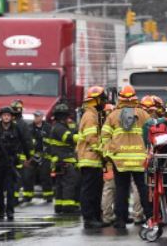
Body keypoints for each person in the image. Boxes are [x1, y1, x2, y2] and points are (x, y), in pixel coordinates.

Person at [101, 85, 152, 229]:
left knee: (121, 190)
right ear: (135, 97)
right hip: (139, 160)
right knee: (143, 189)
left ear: (120, 98)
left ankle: (120, 220)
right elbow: (151, 135)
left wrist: (109, 153)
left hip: (120, 160)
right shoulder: (143, 114)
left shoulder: (112, 115)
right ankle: (149, 217)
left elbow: (105, 136)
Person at [0, 107, 30, 220]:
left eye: (8, 115)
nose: (6, 117)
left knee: (10, 188)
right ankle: (1, 210)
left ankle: (10, 211)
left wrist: (28, 157)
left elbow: (24, 142)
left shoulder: (16, 128)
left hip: (11, 162)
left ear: (11, 117)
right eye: (4, 115)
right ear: (1, 116)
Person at [77, 86, 108, 229]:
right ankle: (89, 218)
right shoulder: (90, 116)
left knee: (96, 191)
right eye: (102, 99)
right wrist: (104, 151)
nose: (104, 102)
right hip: (89, 159)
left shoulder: (94, 114)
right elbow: (92, 138)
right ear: (96, 100)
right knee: (89, 191)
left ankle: (95, 217)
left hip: (94, 160)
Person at [49, 103, 80, 214]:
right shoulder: (59, 128)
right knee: (69, 183)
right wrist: (84, 137)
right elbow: (69, 138)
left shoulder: (58, 126)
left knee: (60, 185)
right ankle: (68, 207)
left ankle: (59, 206)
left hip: (59, 161)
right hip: (64, 161)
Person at [22, 111, 53, 203]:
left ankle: (48, 196)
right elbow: (26, 142)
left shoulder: (48, 127)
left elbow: (51, 141)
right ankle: (27, 196)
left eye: (38, 116)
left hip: (45, 156)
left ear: (42, 117)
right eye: (35, 116)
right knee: (28, 176)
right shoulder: (29, 128)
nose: (36, 118)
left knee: (45, 176)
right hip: (32, 156)